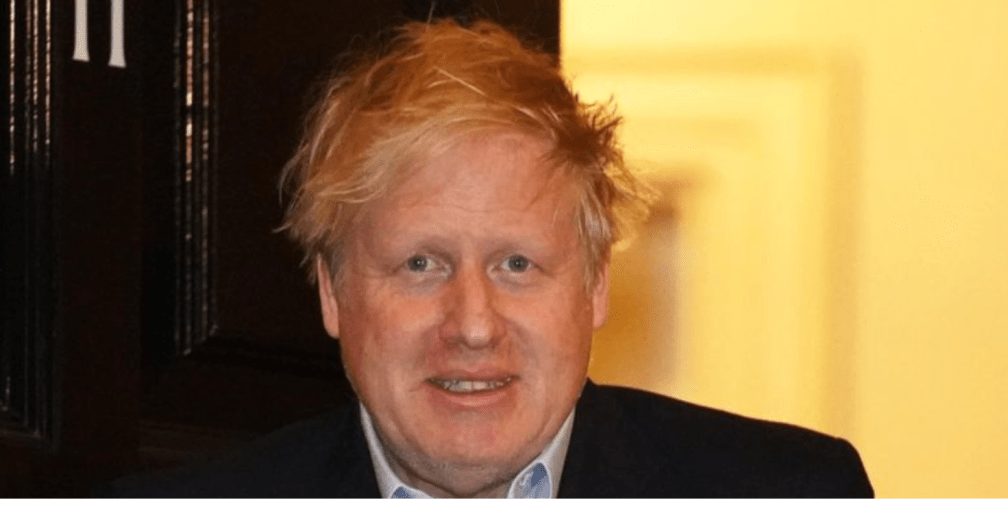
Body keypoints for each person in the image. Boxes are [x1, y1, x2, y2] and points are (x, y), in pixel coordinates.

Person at [108, 18, 873, 498]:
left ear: (595, 283)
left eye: (517, 265)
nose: (473, 324)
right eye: (420, 265)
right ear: (332, 293)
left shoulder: (790, 490)